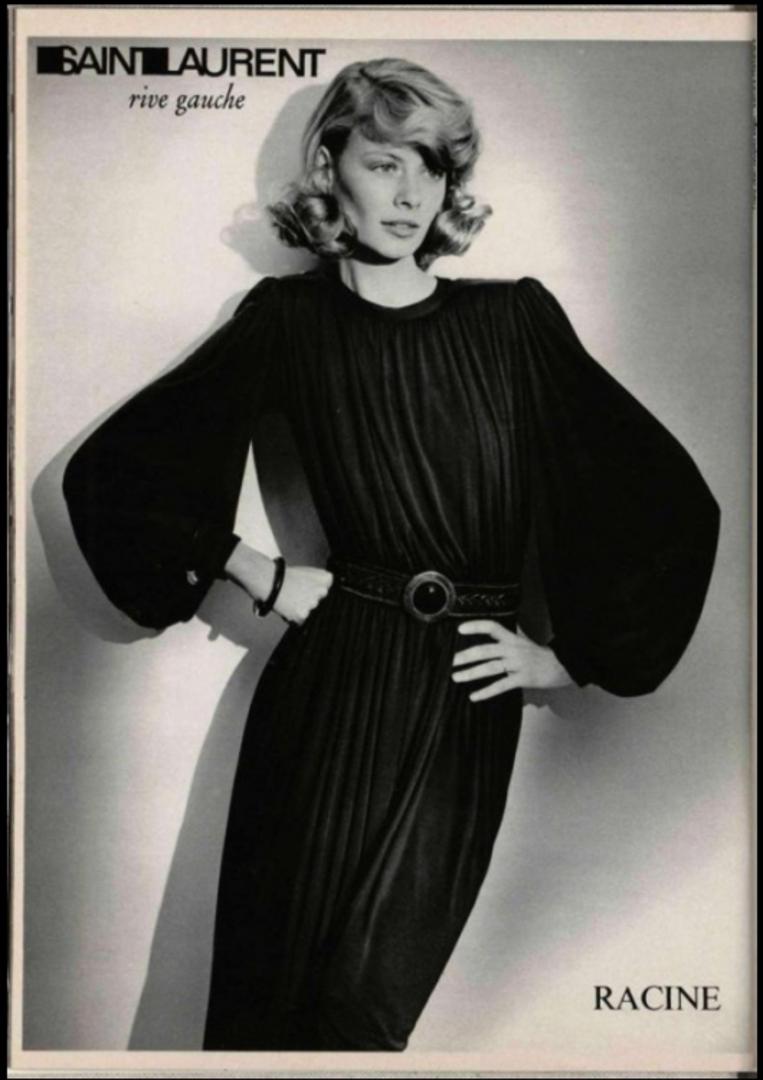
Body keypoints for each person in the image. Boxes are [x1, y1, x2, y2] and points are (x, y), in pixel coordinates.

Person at [62, 57, 721, 1051]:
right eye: (383, 163)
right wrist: (252, 567)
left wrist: (571, 656)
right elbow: (117, 470)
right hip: (328, 685)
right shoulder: (288, 322)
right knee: (264, 1013)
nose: (411, 193)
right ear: (331, 167)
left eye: (431, 166)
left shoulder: (515, 323)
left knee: (358, 1018)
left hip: (459, 701)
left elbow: (667, 501)